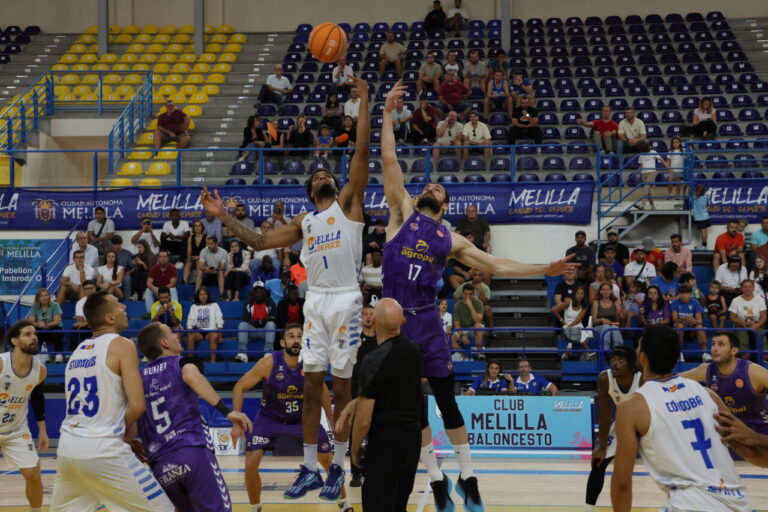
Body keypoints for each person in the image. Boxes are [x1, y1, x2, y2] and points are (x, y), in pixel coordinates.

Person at [379, 82, 576, 512]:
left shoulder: (450, 239)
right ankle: (434, 479)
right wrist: (387, 114)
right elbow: (390, 159)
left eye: (441, 190)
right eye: (429, 184)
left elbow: (499, 264)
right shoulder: (401, 212)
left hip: (427, 321)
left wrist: (545, 268)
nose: (433, 187)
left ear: (445, 206)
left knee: (446, 400)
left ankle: (468, 477)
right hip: (393, 323)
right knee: (411, 407)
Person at [200, 77, 370, 501]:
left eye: (326, 173)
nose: (322, 177)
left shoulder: (349, 205)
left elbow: (362, 154)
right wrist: (222, 216)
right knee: (312, 384)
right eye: (316, 177)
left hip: (347, 297)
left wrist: (364, 102)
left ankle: (342, 467)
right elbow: (258, 242)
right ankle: (312, 467)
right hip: (315, 302)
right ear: (309, 191)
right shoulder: (303, 223)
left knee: (343, 387)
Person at [50, 292, 175, 511]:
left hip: (68, 447)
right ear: (109, 318)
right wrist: (123, 432)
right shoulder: (122, 344)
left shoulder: (78, 351)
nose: (125, 308)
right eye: (119, 306)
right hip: (103, 448)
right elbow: (137, 405)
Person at [610, 324, 752, 512]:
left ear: (642, 357)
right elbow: (745, 443)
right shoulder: (708, 394)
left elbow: (621, 483)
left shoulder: (631, 408)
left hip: (690, 505)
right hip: (737, 503)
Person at [230, 324, 352, 512]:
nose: (296, 340)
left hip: (302, 420)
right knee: (250, 462)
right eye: (291, 336)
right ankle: (255, 508)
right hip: (269, 419)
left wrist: (332, 419)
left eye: (299, 336)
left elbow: (322, 392)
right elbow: (239, 387)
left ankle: (344, 505)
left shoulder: (311, 363)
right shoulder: (269, 362)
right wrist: (237, 421)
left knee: (328, 460)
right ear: (282, 342)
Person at [135, 323, 252, 512]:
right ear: (164, 342)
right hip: (191, 450)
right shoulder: (180, 363)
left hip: (160, 465)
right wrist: (228, 412)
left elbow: (132, 413)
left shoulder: (138, 378)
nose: (176, 335)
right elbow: (190, 375)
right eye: (172, 333)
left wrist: (128, 439)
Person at [334, 299, 423, 512]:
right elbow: (391, 391)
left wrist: (354, 450)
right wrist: (354, 403)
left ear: (373, 321)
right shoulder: (413, 350)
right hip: (411, 440)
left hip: (386, 443)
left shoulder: (373, 359)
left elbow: (364, 420)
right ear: (402, 321)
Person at [583, 345, 641, 512]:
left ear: (631, 364)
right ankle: (588, 509)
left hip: (646, 424)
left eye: (621, 360)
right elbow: (605, 415)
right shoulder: (604, 378)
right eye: (613, 360)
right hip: (623, 422)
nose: (615, 364)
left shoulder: (642, 379)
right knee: (598, 462)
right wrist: (601, 447)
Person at [681, 331, 768, 438]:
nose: (714, 349)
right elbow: (675, 379)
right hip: (727, 433)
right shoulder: (706, 369)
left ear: (734, 350)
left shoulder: (752, 371)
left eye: (721, 344)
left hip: (758, 433)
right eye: (713, 344)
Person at [1, 321, 48, 512]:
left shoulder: (40, 370)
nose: (34, 337)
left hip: (16, 429)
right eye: (27, 334)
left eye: (35, 333)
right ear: (14, 340)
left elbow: (37, 398)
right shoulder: (2, 363)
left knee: (33, 474)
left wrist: (42, 430)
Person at [349, 304, 377, 487]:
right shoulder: (355, 341)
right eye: (365, 314)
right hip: (357, 391)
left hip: (378, 392)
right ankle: (356, 473)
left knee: (376, 432)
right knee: (356, 431)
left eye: (371, 314)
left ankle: (373, 470)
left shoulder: (381, 340)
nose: (367, 317)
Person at [236, 283, 277, 361]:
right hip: (251, 331)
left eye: (261, 291)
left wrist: (263, 322)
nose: (258, 293)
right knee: (242, 324)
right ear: (253, 293)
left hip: (265, 332)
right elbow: (246, 320)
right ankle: (242, 353)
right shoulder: (248, 303)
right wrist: (260, 322)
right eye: (256, 291)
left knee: (271, 324)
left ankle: (268, 353)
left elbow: (273, 318)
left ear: (264, 292)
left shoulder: (271, 303)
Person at [670, 284, 710, 361]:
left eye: (686, 293)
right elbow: (674, 319)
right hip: (680, 328)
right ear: (679, 294)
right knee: (680, 326)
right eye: (682, 293)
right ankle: (679, 353)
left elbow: (700, 320)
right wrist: (685, 319)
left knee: (699, 326)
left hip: (692, 329)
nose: (684, 295)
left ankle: (705, 354)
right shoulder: (675, 303)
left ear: (690, 294)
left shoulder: (695, 303)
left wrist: (693, 321)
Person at [728, 279, 767, 353]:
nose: (747, 289)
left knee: (761, 332)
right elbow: (732, 317)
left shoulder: (760, 300)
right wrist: (743, 323)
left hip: (756, 324)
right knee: (742, 334)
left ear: (753, 288)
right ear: (741, 288)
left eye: (750, 287)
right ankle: (744, 355)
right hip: (740, 325)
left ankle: (764, 355)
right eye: (745, 287)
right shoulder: (736, 300)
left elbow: (764, 317)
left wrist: (756, 325)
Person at [186, 287, 223, 362]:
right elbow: (190, 321)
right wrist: (189, 332)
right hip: (198, 331)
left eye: (204, 294)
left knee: (214, 335)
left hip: (210, 332)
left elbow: (219, 321)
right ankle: (190, 362)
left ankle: (213, 361)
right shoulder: (194, 307)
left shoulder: (214, 305)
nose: (203, 296)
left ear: (208, 295)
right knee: (190, 337)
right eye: (200, 294)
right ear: (198, 296)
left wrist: (220, 336)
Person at [28, 287, 64, 362]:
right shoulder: (35, 306)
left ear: (49, 296)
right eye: (41, 296)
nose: (44, 297)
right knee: (34, 331)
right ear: (38, 298)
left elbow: (57, 321)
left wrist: (45, 324)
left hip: (53, 328)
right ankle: (35, 354)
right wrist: (38, 324)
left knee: (57, 331)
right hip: (41, 328)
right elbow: (30, 320)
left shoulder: (55, 305)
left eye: (46, 295)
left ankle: (58, 354)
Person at [551, 286, 588, 358]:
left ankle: (567, 353)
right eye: (578, 293)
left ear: (584, 296)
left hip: (577, 324)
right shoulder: (568, 303)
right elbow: (553, 309)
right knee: (578, 332)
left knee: (579, 330)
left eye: (582, 293)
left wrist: (571, 325)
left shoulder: (584, 306)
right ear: (574, 294)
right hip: (566, 324)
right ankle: (588, 351)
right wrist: (562, 320)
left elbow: (579, 319)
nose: (579, 295)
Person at [451, 284, 486, 360]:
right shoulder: (457, 305)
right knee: (453, 338)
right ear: (463, 294)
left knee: (478, 326)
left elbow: (478, 320)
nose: (468, 297)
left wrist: (470, 306)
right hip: (463, 328)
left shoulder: (479, 303)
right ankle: (464, 356)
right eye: (466, 294)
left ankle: (479, 353)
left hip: (475, 327)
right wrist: (462, 335)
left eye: (470, 294)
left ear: (473, 294)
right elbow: (456, 324)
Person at [636, 139, 668, 210]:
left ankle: (642, 205)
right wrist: (637, 172)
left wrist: (668, 168)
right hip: (644, 173)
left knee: (646, 188)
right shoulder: (642, 154)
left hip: (651, 172)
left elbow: (661, 160)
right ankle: (653, 206)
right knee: (648, 191)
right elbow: (641, 165)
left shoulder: (653, 152)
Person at [593, 282, 625, 351]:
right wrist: (601, 320)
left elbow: (621, 320)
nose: (605, 291)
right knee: (606, 327)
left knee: (613, 327)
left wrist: (619, 314)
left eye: (608, 289)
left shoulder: (615, 302)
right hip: (599, 328)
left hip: (613, 325)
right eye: (603, 289)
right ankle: (605, 352)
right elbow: (594, 321)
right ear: (600, 291)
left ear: (611, 291)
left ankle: (619, 350)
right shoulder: (596, 302)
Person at [184, 219, 207, 284]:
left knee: (198, 261)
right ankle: (184, 281)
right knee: (188, 261)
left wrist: (198, 257)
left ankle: (199, 281)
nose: (197, 227)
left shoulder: (207, 237)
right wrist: (191, 257)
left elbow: (207, 253)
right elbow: (188, 253)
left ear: (202, 227)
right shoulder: (190, 238)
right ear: (193, 228)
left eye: (199, 226)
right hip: (193, 257)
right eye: (195, 226)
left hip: (203, 258)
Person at [693, 184, 711, 250]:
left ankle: (704, 246)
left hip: (700, 217)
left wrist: (686, 187)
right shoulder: (706, 196)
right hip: (705, 216)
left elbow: (686, 196)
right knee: (703, 231)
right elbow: (708, 207)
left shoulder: (694, 197)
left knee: (703, 231)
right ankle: (704, 246)